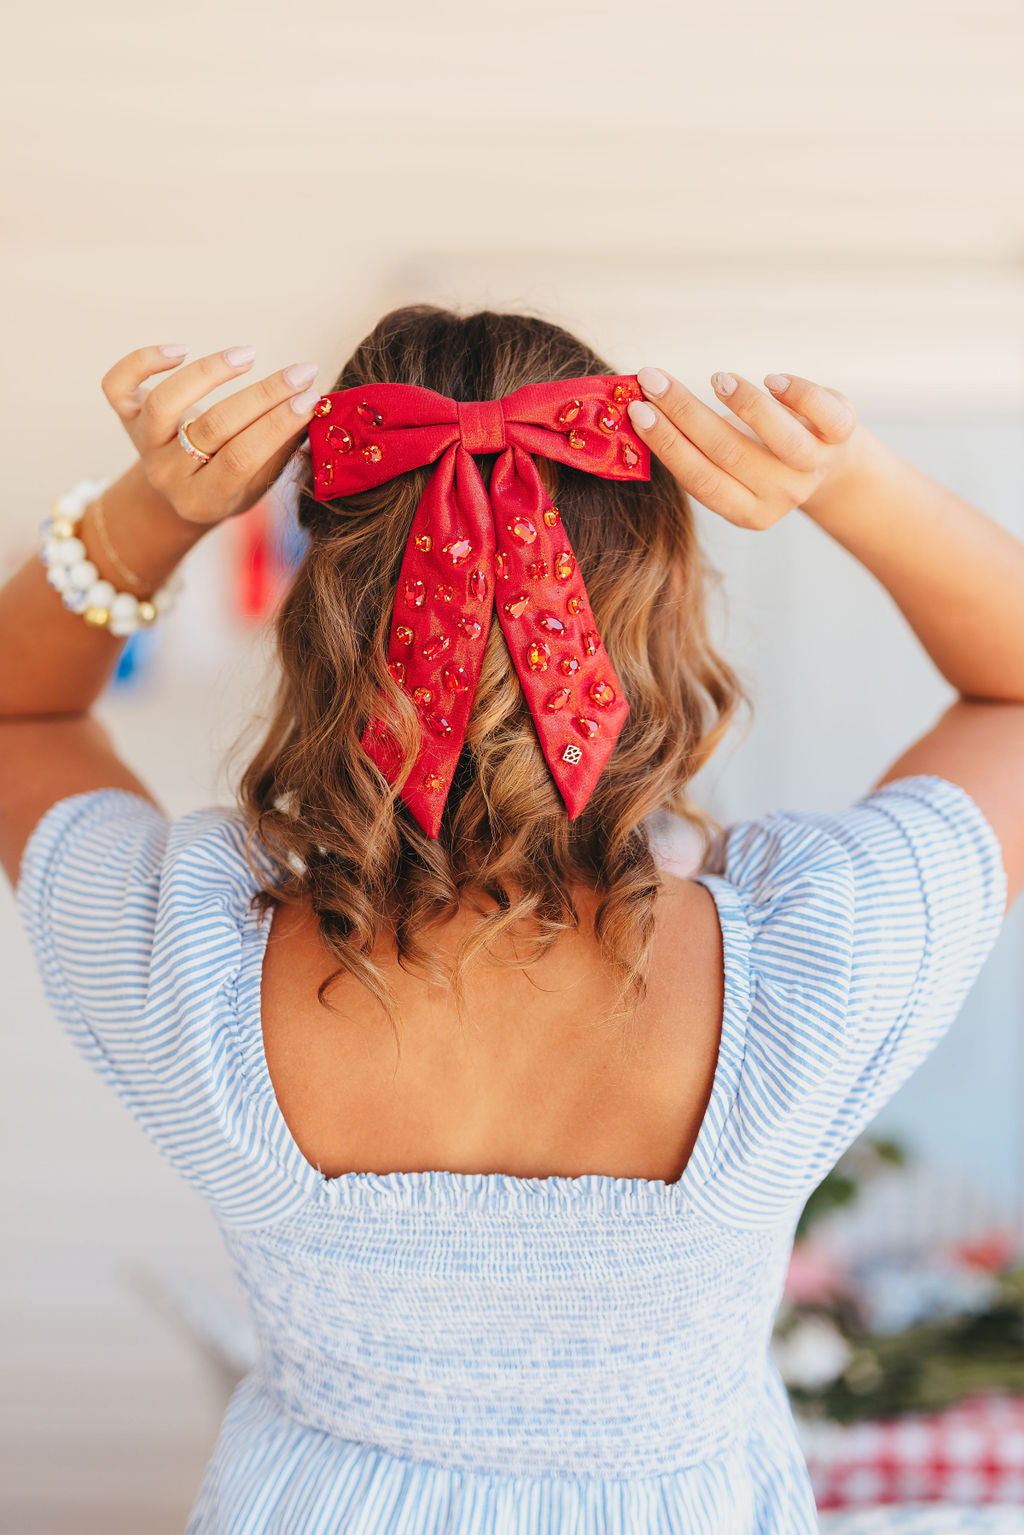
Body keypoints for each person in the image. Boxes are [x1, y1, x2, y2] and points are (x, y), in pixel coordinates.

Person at [1, 304, 1021, 1535]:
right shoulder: (815, 958)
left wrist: (150, 511)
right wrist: (844, 475)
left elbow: (21, 717)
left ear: (329, 614)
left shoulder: (194, 963)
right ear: (657, 597)